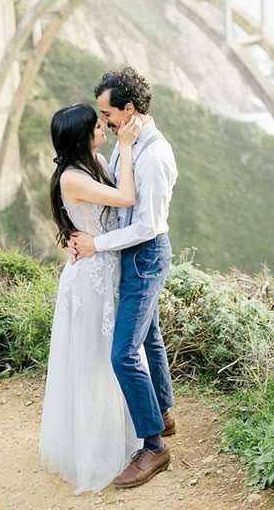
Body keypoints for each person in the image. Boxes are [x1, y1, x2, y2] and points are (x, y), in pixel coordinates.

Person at [69, 67, 178, 489]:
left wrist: (97, 245)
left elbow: (147, 226)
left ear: (128, 109)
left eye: (106, 112)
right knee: (149, 334)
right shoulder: (129, 144)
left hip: (144, 256)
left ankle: (153, 447)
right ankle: (163, 413)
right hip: (128, 256)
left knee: (123, 353)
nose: (103, 121)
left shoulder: (155, 155)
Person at [38, 102, 144, 494]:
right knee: (96, 358)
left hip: (103, 267)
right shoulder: (72, 178)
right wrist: (130, 146)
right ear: (81, 137)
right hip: (91, 280)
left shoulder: (92, 162)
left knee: (110, 354)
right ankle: (97, 446)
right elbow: (128, 197)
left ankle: (124, 430)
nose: (103, 126)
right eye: (96, 124)